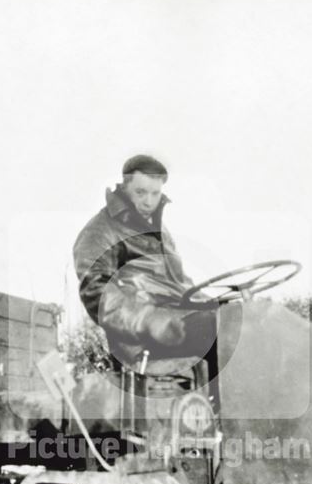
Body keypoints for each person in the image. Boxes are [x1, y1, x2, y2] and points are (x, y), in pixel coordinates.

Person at [73, 154, 216, 370]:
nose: (148, 201)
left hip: (178, 318)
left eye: (155, 193)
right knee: (223, 330)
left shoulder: (159, 231)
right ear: (125, 186)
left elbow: (180, 283)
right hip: (142, 339)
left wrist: (216, 303)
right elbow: (96, 293)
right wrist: (147, 319)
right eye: (140, 192)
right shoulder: (101, 230)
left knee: (245, 320)